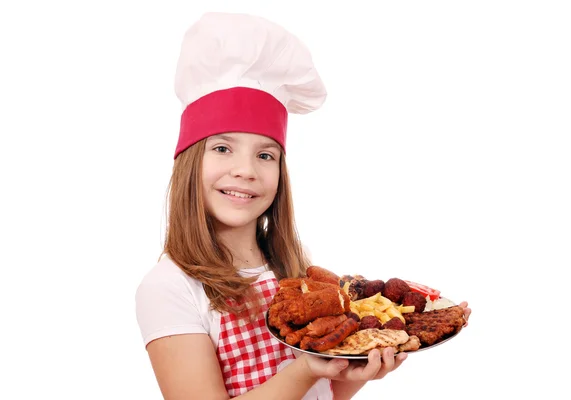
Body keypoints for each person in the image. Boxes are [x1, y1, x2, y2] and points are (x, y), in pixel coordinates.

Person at [135, 11, 471, 400]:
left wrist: (361, 365)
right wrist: (305, 369)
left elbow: (325, 393)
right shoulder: (168, 287)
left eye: (265, 156)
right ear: (189, 162)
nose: (245, 170)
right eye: (223, 148)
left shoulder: (292, 268)